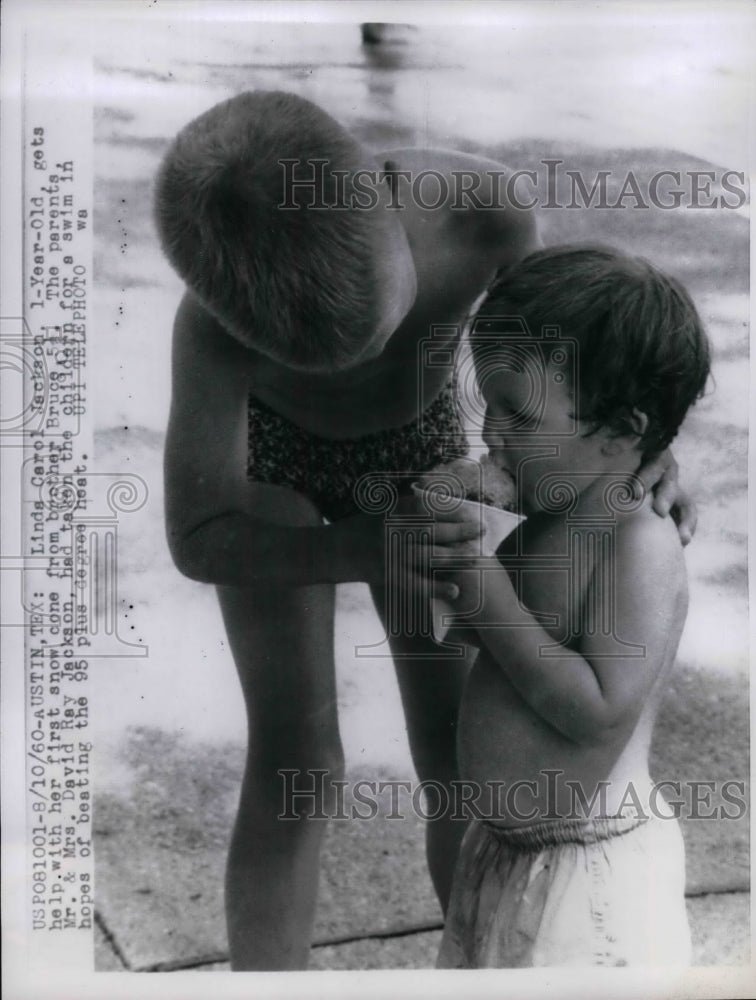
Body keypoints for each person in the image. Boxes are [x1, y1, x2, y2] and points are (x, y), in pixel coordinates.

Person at [154, 91, 692, 970]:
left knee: (452, 750)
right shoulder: (207, 328)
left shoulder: (483, 210)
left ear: (387, 196)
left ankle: (476, 961)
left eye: (381, 331)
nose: (365, 362)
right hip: (274, 474)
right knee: (297, 758)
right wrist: (359, 546)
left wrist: (648, 450)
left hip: (421, 452)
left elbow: (583, 374)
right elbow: (198, 533)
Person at [430, 245, 710, 967]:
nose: (490, 434)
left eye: (517, 415)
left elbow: (596, 711)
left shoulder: (639, 545)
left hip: (589, 887)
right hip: (507, 860)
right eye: (488, 406)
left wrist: (487, 596)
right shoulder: (544, 516)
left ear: (622, 431)